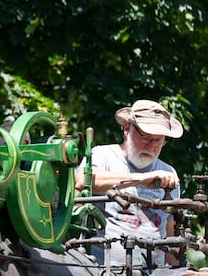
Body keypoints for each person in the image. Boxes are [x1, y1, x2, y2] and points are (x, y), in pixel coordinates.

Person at [75, 100, 184, 267]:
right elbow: (83, 181)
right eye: (146, 138)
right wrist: (141, 179)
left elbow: (170, 235)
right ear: (127, 129)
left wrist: (179, 272)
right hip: (101, 273)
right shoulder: (102, 155)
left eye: (158, 141)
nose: (151, 146)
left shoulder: (169, 173)